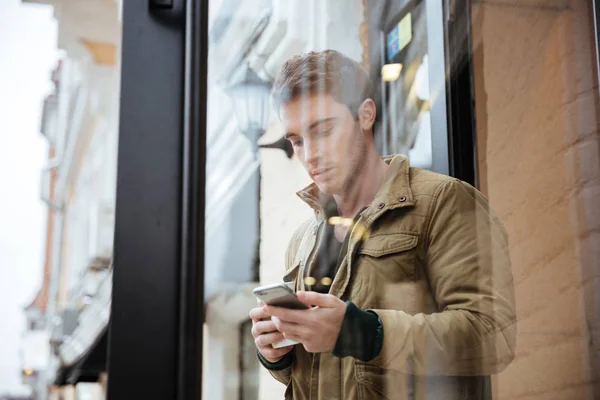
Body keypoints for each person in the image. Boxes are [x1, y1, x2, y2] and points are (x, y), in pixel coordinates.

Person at [249, 49, 516, 400]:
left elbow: (494, 334)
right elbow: (327, 370)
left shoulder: (443, 202)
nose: (310, 154)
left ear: (365, 114)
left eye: (323, 130)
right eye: (297, 141)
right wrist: (276, 353)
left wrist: (365, 333)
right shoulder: (303, 239)